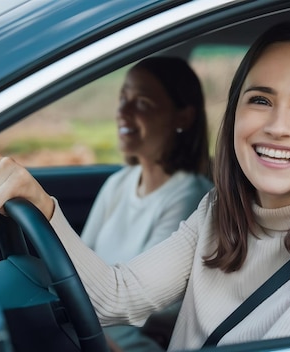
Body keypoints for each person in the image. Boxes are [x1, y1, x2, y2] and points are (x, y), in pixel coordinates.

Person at [0, 22, 290, 351]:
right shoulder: (218, 210)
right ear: (234, 114)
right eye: (260, 100)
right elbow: (116, 298)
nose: (277, 127)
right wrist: (42, 207)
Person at [80, 56, 213, 350]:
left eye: (141, 103)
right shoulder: (118, 183)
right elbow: (75, 265)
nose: (122, 112)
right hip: (90, 329)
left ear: (183, 117)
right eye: (122, 99)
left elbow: (145, 307)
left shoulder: (191, 196)